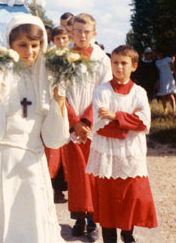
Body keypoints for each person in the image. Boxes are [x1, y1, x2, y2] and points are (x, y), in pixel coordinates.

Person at [0, 14, 69, 242]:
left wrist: (59, 96)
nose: (30, 52)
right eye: (22, 45)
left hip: (32, 161)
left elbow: (54, 138)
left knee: (32, 226)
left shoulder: (46, 76)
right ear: (10, 45)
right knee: (0, 224)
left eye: (35, 45)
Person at [86, 45, 157, 243]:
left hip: (130, 153)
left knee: (130, 197)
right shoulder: (102, 90)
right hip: (107, 152)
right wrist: (127, 122)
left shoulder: (139, 92)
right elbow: (100, 124)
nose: (119, 67)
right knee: (108, 198)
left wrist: (116, 116)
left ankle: (128, 234)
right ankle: (109, 238)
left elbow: (144, 122)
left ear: (134, 66)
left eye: (124, 63)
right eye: (115, 63)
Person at [64, 13, 112, 242]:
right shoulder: (62, 57)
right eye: (78, 31)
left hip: (93, 124)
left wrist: (87, 120)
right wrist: (73, 120)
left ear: (94, 34)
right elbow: (58, 91)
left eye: (87, 32)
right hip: (71, 123)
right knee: (75, 174)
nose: (82, 35)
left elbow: (104, 92)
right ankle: (78, 217)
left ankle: (94, 219)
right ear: (71, 32)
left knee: (93, 173)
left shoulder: (102, 59)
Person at [45, 25, 71, 204]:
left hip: (71, 104)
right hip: (55, 103)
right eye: (58, 39)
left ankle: (65, 187)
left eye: (64, 39)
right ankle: (53, 187)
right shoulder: (49, 58)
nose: (61, 42)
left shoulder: (74, 57)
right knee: (54, 149)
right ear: (53, 40)